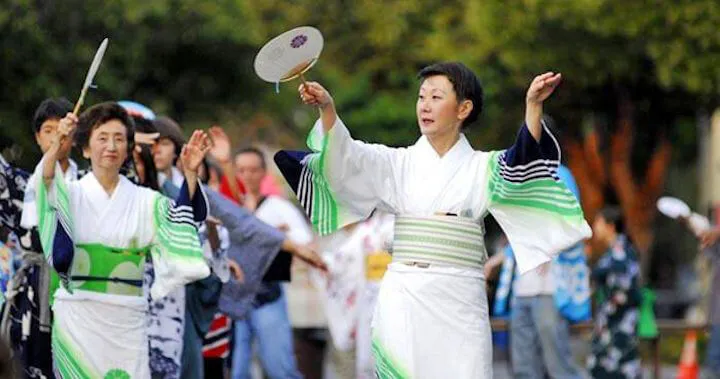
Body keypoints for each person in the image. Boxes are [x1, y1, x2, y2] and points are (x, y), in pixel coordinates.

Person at [273, 62, 591, 377]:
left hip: (461, 296)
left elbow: (521, 165)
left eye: (436, 97)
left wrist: (533, 107)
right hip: (405, 296)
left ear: (463, 108)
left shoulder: (482, 167)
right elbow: (347, 158)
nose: (424, 106)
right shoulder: (398, 163)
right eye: (421, 97)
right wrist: (328, 109)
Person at [33, 102, 211, 377]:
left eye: (119, 139)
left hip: (127, 318)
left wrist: (189, 174)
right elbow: (45, 182)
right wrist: (57, 143)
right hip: (78, 315)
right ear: (86, 148)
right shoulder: (70, 194)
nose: (111, 146)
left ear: (128, 148)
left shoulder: (146, 201)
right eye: (102, 138)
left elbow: (181, 221)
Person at [485, 163, 589, 379]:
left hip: (550, 289)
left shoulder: (561, 175)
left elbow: (572, 220)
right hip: (523, 290)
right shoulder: (524, 178)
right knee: (524, 366)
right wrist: (494, 262)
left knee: (557, 364)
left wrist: (549, 247)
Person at [587, 207, 642, 378]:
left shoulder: (619, 252)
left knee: (612, 371)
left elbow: (622, 291)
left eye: (598, 222)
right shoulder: (619, 249)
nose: (595, 227)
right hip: (617, 326)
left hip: (617, 326)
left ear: (610, 226)